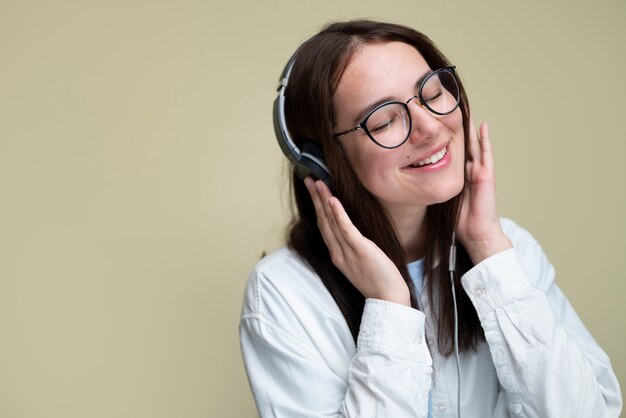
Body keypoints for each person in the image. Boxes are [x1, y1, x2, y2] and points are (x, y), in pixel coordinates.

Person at [239, 20, 622, 417]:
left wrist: (489, 250)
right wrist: (388, 303)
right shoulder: (282, 293)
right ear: (322, 164)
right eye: (385, 120)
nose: (430, 126)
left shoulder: (509, 249)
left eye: (433, 92)